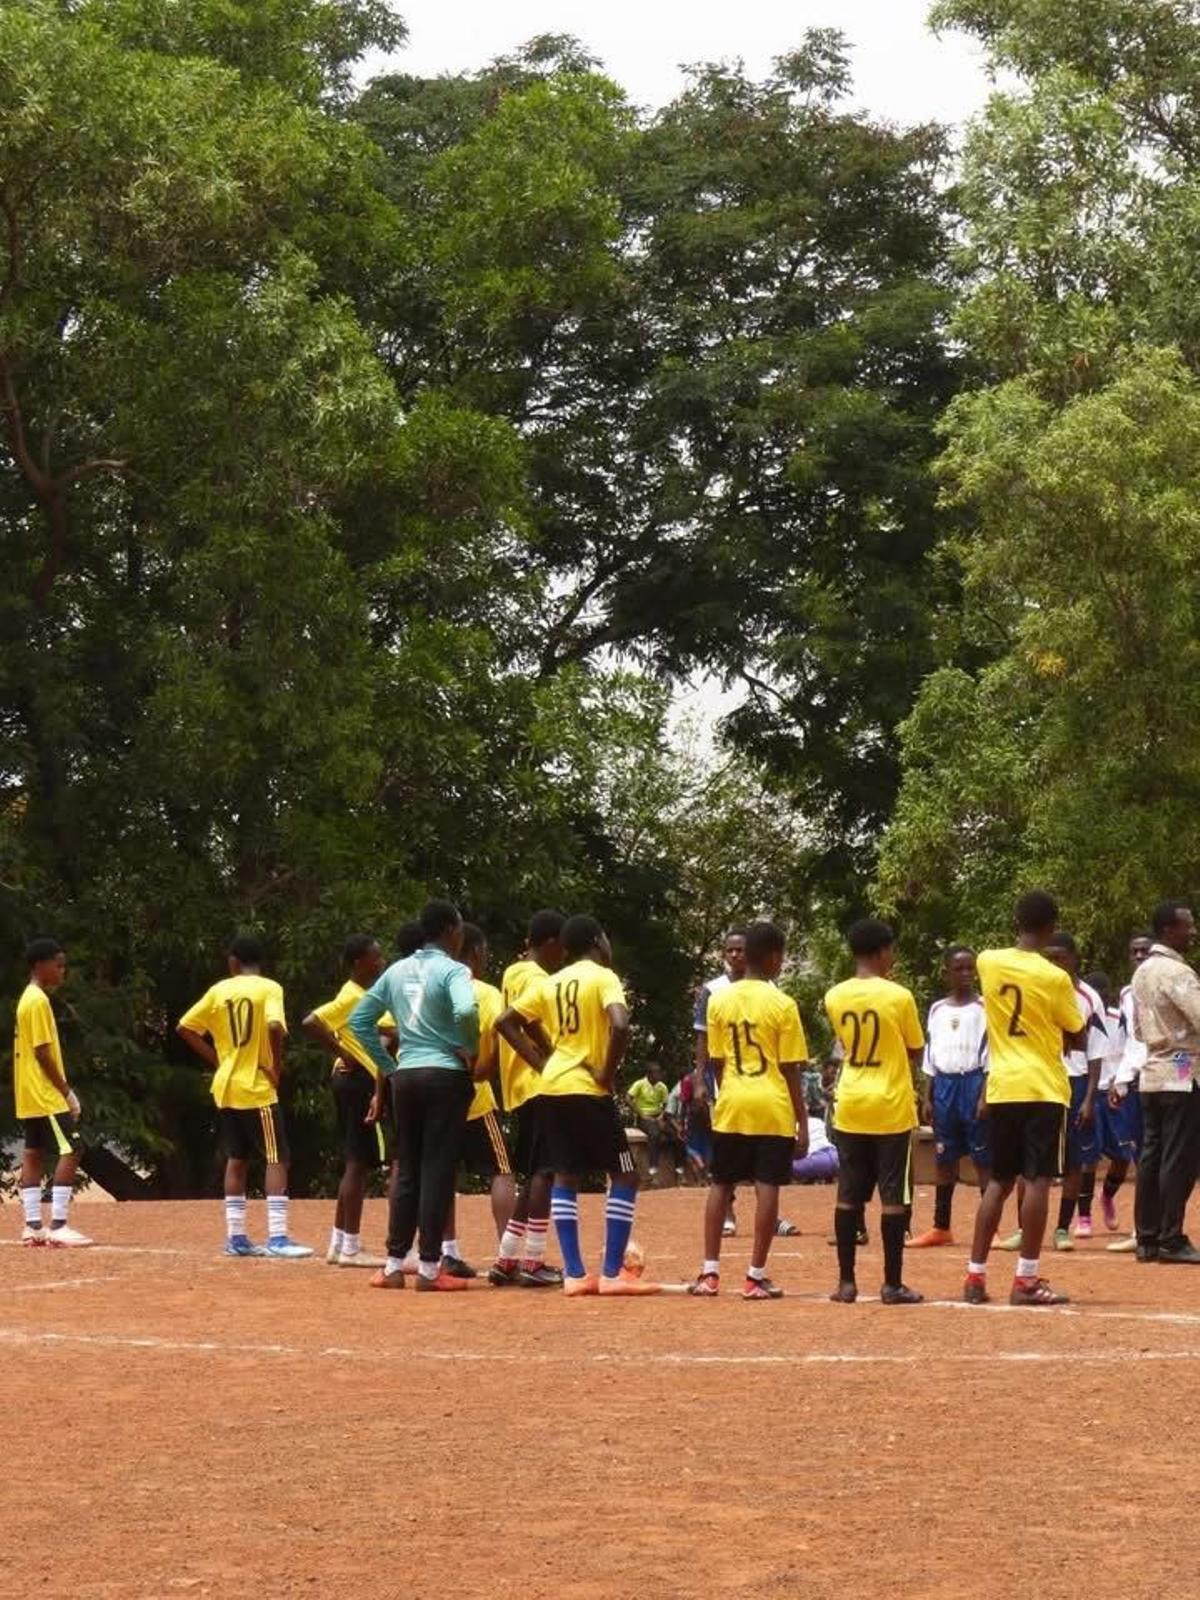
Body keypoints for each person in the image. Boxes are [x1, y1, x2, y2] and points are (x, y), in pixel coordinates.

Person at [496, 913, 657, 1297]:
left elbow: (505, 1022)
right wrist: (605, 1071)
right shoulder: (603, 977)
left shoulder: (552, 983)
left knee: (565, 1175)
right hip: (587, 1090)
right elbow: (619, 1024)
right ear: (600, 941)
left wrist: (544, 1064)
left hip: (551, 1088)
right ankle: (611, 1273)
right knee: (625, 1174)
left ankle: (574, 1274)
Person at [350, 899, 482, 1292]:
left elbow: (359, 1021)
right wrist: (469, 1047)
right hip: (444, 1074)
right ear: (449, 930)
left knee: (406, 1166)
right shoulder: (454, 970)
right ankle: (428, 1268)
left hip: (405, 1077)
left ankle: (393, 1265)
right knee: (437, 1168)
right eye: (459, 927)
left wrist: (389, 1068)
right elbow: (465, 1011)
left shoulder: (396, 970)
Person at [963, 890, 1085, 1307]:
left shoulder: (987, 961)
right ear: (1052, 928)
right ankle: (1026, 1279)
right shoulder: (1055, 977)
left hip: (1002, 1085)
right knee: (1037, 1180)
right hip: (1044, 1086)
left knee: (998, 1180)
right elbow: (1076, 1028)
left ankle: (975, 1276)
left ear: (1016, 921)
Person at [689, 920, 808, 1299]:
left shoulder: (719, 999)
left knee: (720, 1183)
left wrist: (726, 1095)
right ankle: (755, 1277)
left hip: (732, 1101)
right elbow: (790, 1069)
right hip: (772, 1104)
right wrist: (802, 1123)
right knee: (767, 1186)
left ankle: (710, 1274)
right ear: (774, 958)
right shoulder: (783, 1003)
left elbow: (717, 1060)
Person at [178, 935, 312, 1258]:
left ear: (233, 962)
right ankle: (278, 1237)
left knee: (237, 1158)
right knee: (277, 1156)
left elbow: (185, 1027)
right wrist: (275, 1066)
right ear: (259, 962)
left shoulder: (219, 990)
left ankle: (236, 1237)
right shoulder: (270, 988)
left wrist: (219, 1061)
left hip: (226, 1086)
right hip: (256, 1086)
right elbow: (275, 1027)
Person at [824, 918, 925, 1306]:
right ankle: (891, 1284)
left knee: (848, 1194)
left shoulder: (835, 996)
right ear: (884, 951)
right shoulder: (899, 996)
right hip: (890, 1104)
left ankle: (846, 1283)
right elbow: (915, 1049)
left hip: (851, 1102)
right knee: (893, 1196)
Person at [302, 934, 393, 1268]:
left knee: (354, 1160)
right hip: (358, 1083)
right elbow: (312, 1021)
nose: (381, 963)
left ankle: (339, 1242)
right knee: (359, 1162)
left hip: (348, 1082)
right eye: (375, 957)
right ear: (358, 963)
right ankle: (351, 1246)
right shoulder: (355, 996)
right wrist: (343, 1052)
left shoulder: (359, 996)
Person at [488, 910, 566, 1288]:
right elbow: (520, 1021)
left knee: (536, 1171)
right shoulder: (536, 978)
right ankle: (534, 1262)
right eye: (562, 946)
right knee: (545, 1172)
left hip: (518, 1086)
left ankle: (507, 1258)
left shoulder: (512, 972)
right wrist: (547, 1063)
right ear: (550, 943)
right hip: (538, 1086)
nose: (564, 955)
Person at [442, 922, 517, 1279]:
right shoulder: (486, 994)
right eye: (484, 953)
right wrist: (479, 1074)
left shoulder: (434, 989)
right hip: (475, 1099)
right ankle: (507, 1253)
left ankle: (447, 1252)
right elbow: (497, 1046)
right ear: (474, 953)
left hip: (435, 1094)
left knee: (441, 1173)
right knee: (500, 1171)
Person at [1129, 900, 1200, 1264]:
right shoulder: (1178, 972)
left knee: (1151, 1157)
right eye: (1187, 925)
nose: (1192, 931)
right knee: (1179, 1158)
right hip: (1182, 1070)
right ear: (1169, 929)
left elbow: (1139, 1030)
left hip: (1152, 1073)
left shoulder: (1140, 972)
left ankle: (1146, 1238)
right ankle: (1171, 1237)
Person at [14, 937, 92, 1247]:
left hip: (28, 1092)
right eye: (58, 965)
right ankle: (58, 1225)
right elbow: (43, 1053)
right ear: (39, 965)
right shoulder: (38, 1001)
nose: (62, 971)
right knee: (73, 1148)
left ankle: (33, 1226)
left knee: (33, 1153)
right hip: (44, 1092)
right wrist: (66, 1092)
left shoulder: (28, 998)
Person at [911, 945, 989, 1249]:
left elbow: (991, 1055)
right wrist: (927, 1095)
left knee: (983, 1158)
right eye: (959, 969)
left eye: (971, 968)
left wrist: (985, 1095)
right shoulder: (937, 1010)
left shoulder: (984, 1008)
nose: (966, 974)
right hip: (944, 1087)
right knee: (945, 1158)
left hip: (972, 1082)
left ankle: (990, 1226)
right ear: (946, 973)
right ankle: (941, 1226)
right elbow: (931, 1053)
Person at [1043, 933, 1106, 1249]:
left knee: (1073, 1161)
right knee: (1033, 1160)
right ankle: (1025, 1230)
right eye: (1048, 958)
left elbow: (1096, 1052)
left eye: (1059, 958)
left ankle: (1062, 1227)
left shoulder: (1088, 998)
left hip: (1075, 1082)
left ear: (1073, 957)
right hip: (1040, 1081)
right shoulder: (1038, 989)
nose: (1054, 964)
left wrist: (1090, 1098)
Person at [693, 928, 747, 1234]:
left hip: (756, 1078)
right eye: (730, 950)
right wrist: (700, 1078)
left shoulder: (765, 987)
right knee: (726, 1145)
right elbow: (702, 1037)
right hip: (722, 1079)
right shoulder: (712, 990)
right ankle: (727, 1209)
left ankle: (769, 1211)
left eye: (741, 950)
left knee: (757, 1145)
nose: (735, 955)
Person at [1106, 933, 1153, 1252]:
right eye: (1133, 951)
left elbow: (1187, 1039)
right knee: (1142, 1158)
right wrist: (1120, 1079)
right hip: (1137, 1082)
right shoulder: (1127, 993)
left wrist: (1184, 1076)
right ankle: (1145, 1230)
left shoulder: (1175, 984)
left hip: (1165, 1082)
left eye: (1144, 951)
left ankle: (1157, 1230)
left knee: (1162, 1158)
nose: (1138, 956)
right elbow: (1130, 1044)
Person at [628, 1062, 684, 1181]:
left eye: (659, 1073)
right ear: (649, 1074)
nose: (659, 1075)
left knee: (677, 1136)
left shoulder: (662, 1086)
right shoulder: (640, 1084)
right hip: (644, 1117)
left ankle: (680, 1170)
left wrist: (661, 1116)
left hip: (658, 1115)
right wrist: (641, 1114)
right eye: (656, 1073)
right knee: (654, 1134)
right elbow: (628, 1098)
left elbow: (665, 1104)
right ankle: (653, 1170)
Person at [792, 1114, 838, 1183]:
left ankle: (813, 1177)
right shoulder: (818, 1121)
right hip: (835, 1155)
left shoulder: (794, 1126)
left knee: (780, 1168)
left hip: (818, 1160)